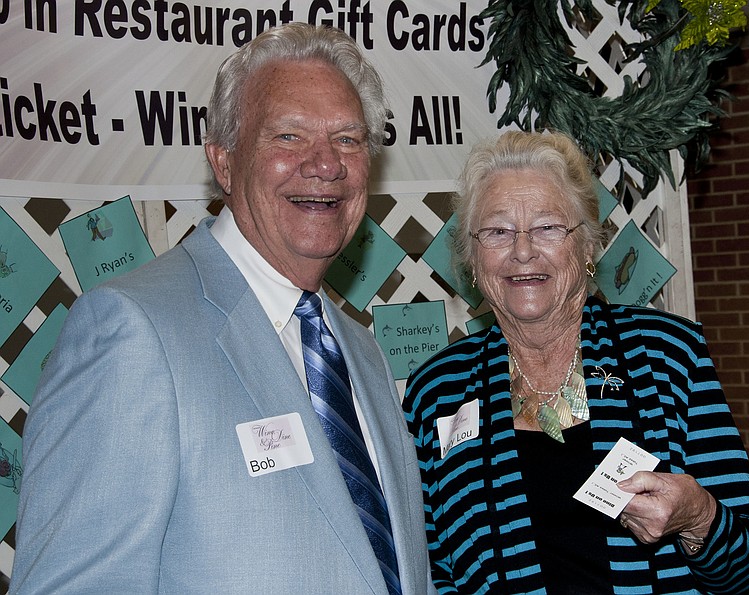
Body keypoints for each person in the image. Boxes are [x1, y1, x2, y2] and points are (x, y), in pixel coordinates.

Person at [12, 23, 434, 594]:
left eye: (348, 139)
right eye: (288, 136)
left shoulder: (363, 355)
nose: (326, 164)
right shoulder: (130, 333)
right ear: (224, 161)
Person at [403, 130, 749, 594]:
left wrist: (698, 518)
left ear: (585, 248)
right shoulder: (437, 390)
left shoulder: (666, 354)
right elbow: (427, 570)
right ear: (473, 260)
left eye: (547, 227)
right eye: (498, 231)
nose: (523, 250)